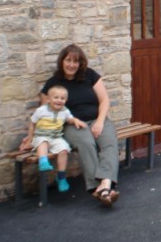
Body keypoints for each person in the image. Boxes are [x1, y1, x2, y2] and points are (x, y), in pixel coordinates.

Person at [41, 44, 121, 207]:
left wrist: (99, 121)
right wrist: (32, 136)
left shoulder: (90, 75)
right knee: (86, 143)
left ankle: (105, 185)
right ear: (62, 61)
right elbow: (46, 112)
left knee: (110, 143)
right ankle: (95, 188)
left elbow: (104, 100)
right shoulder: (53, 83)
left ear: (80, 63)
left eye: (75, 61)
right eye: (68, 60)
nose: (71, 64)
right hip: (72, 124)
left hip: (97, 119)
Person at [19, 85, 87, 192]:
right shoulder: (41, 110)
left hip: (56, 137)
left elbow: (69, 119)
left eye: (62, 98)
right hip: (41, 136)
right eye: (56, 97)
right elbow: (32, 123)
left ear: (66, 100)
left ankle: (61, 177)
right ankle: (43, 162)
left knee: (64, 149)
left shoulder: (64, 111)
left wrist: (75, 121)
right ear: (48, 99)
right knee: (43, 142)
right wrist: (29, 139)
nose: (59, 100)